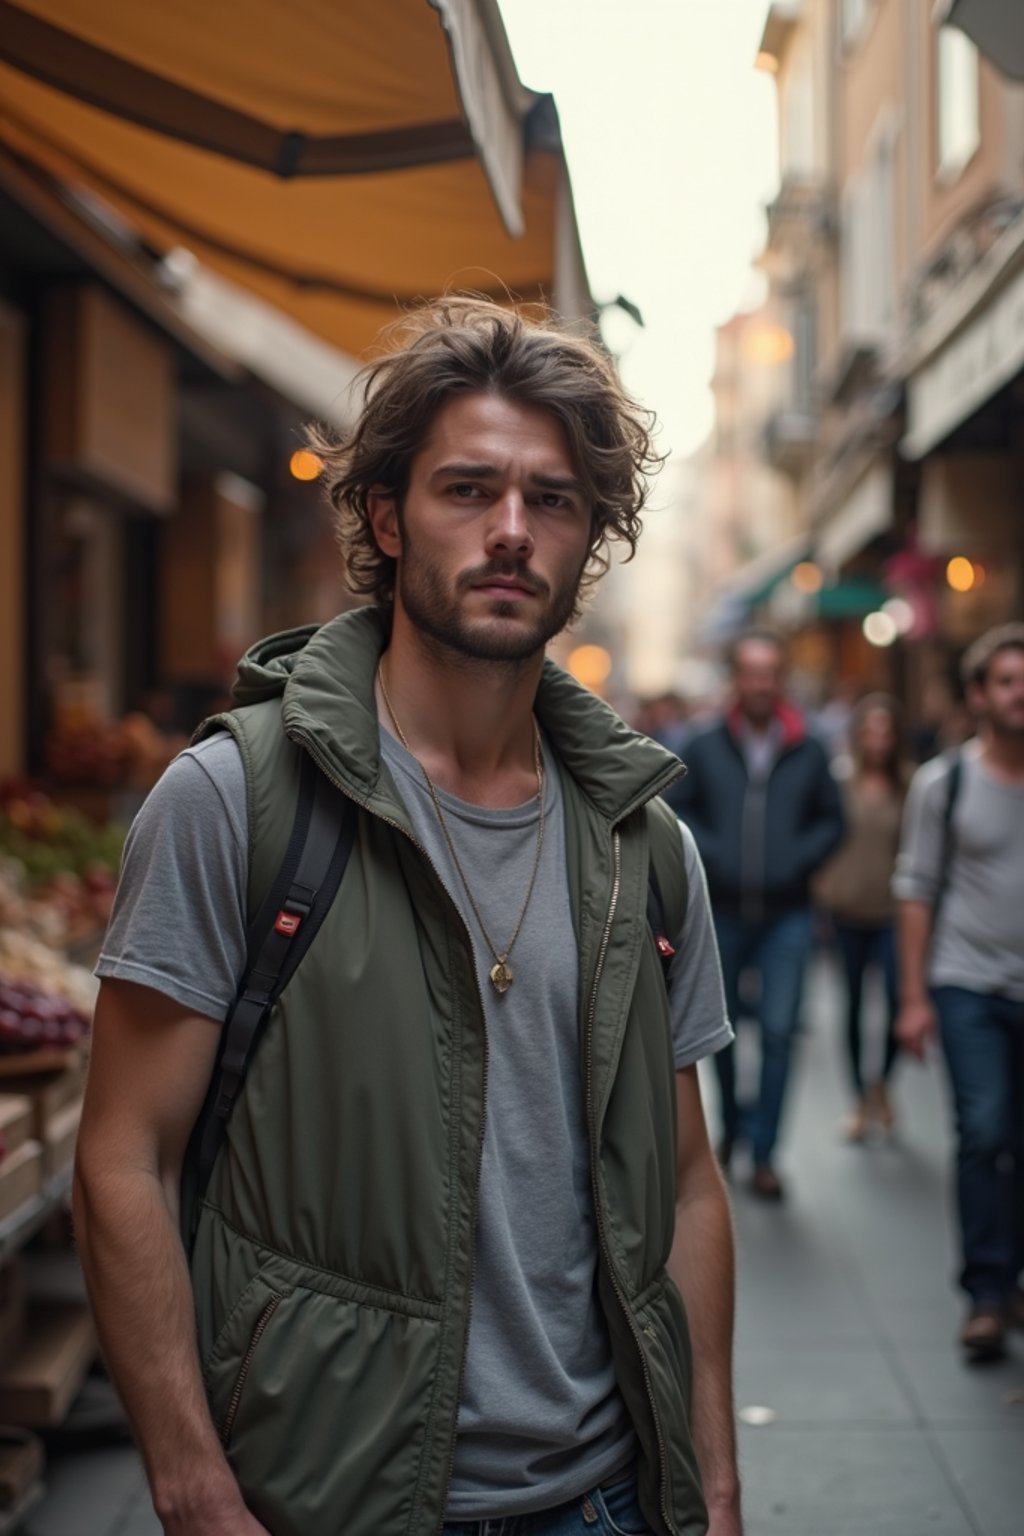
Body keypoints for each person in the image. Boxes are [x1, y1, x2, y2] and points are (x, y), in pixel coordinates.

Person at [72, 299, 742, 1536]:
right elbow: (124, 1159)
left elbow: (691, 1186)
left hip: (601, 1497)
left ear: (590, 537)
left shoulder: (646, 847)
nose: (509, 532)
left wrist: (714, 1479)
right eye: (467, 489)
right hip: (326, 1492)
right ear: (385, 516)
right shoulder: (236, 801)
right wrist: (191, 1486)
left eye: (551, 500)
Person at [673, 629, 844, 1200]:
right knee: (715, 1034)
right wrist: (714, 855)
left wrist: (798, 858)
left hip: (789, 914)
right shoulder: (703, 744)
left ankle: (765, 1152)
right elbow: (675, 810)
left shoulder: (810, 748)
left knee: (777, 1032)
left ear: (781, 679)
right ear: (737, 679)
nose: (761, 684)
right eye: (751, 673)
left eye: (770, 673)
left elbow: (832, 819)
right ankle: (733, 1129)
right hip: (719, 911)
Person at [894, 623, 1024, 1363]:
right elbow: (915, 890)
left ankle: (1011, 1279)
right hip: (967, 981)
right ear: (980, 696)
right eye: (1006, 681)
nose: (1019, 694)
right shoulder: (946, 783)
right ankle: (983, 1291)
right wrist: (913, 997)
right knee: (985, 1130)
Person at [813, 695, 908, 1141]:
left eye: (885, 731)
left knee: (895, 1003)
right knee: (851, 1005)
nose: (877, 739)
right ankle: (857, 1097)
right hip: (847, 910)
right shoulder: (840, 779)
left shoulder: (908, 784)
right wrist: (824, 891)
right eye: (869, 730)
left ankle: (881, 1086)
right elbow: (826, 836)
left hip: (893, 912)